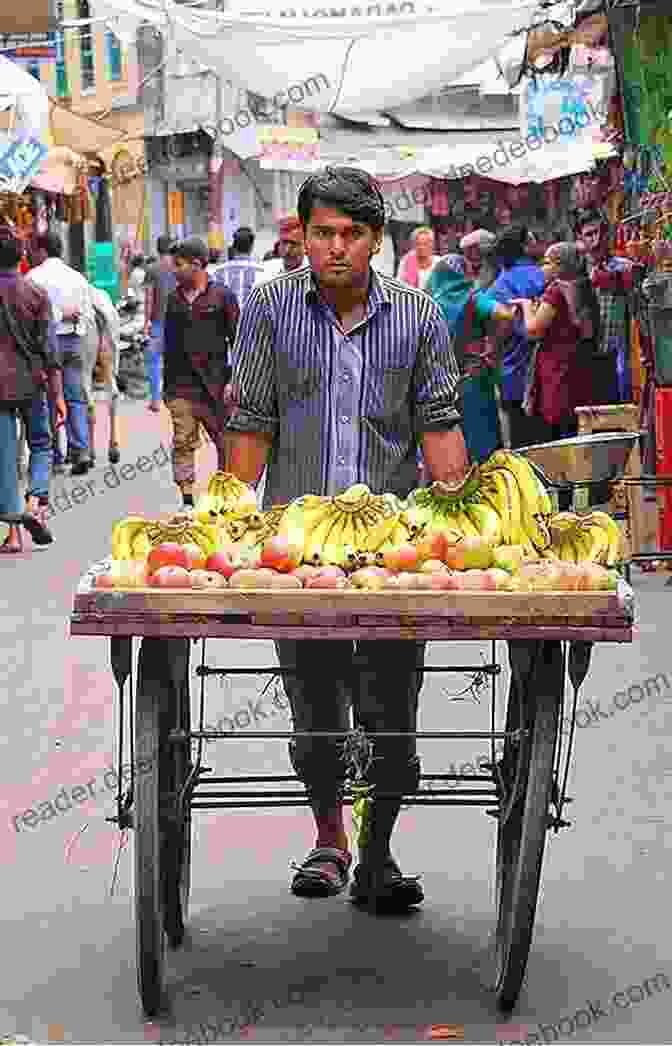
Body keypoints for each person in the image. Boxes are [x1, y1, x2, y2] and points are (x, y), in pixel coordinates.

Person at [227, 165, 468, 911]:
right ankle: (330, 838)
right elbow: (250, 426)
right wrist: (230, 525)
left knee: (392, 705)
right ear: (303, 236)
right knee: (314, 702)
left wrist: (464, 525)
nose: (337, 248)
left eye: (352, 234)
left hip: (391, 551)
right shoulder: (268, 311)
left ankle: (379, 851)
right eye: (323, 233)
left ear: (376, 239)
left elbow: (439, 427)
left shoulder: (419, 317)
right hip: (295, 549)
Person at [0, 225, 64, 551]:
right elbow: (50, 351)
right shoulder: (36, 295)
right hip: (31, 383)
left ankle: (12, 533)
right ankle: (36, 503)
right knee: (41, 443)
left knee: (5, 456)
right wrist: (59, 395)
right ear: (22, 257)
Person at [163, 237, 240, 509]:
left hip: (216, 386)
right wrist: (167, 390)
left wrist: (235, 380)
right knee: (183, 441)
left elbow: (238, 341)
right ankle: (186, 498)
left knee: (225, 442)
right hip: (181, 387)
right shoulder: (173, 300)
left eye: (179, 264)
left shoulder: (222, 296)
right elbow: (169, 344)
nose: (174, 269)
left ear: (197, 265)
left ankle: (225, 496)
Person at [427, 254, 513, 463]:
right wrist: (493, 345)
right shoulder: (473, 298)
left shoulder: (428, 303)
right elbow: (505, 315)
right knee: (482, 445)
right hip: (473, 377)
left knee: (447, 446)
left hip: (441, 383)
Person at [513, 242, 600, 443]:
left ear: (560, 266)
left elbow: (534, 329)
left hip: (558, 368)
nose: (543, 268)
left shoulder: (556, 291)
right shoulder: (582, 285)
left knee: (560, 429)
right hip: (580, 365)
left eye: (547, 263)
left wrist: (526, 307)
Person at [27, 231, 94, 476]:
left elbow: (32, 314)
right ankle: (81, 450)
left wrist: (56, 317)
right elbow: (86, 315)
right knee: (75, 397)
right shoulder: (77, 278)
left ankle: (57, 454)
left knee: (49, 399)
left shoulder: (33, 278)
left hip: (47, 345)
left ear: (42, 250)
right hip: (74, 341)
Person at [489, 225, 546, 448]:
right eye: (533, 240)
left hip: (512, 373)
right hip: (547, 370)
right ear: (524, 246)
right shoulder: (544, 276)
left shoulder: (499, 285)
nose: (538, 244)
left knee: (521, 442)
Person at [573, 206, 634, 404]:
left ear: (608, 232)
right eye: (589, 234)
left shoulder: (625, 268)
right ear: (580, 239)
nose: (596, 239)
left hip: (620, 360)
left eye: (600, 232)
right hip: (587, 362)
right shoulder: (576, 273)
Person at [143, 235, 177, 413]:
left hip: (157, 320)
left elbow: (149, 298)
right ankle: (174, 398)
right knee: (175, 360)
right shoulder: (178, 267)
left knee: (154, 361)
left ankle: (155, 400)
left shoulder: (152, 269)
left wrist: (146, 321)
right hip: (177, 320)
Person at [213, 227, 265, 307]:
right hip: (250, 318)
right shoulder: (261, 271)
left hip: (226, 318)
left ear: (234, 248)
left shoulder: (219, 271)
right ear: (251, 247)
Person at [255, 215, 306, 284]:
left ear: (305, 245)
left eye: (293, 244)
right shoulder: (266, 271)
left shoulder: (315, 273)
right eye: (284, 243)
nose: (287, 250)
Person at [397, 226, 437, 290]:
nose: (421, 247)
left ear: (432, 245)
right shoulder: (406, 261)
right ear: (413, 245)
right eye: (418, 244)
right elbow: (399, 284)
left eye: (425, 244)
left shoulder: (438, 263)